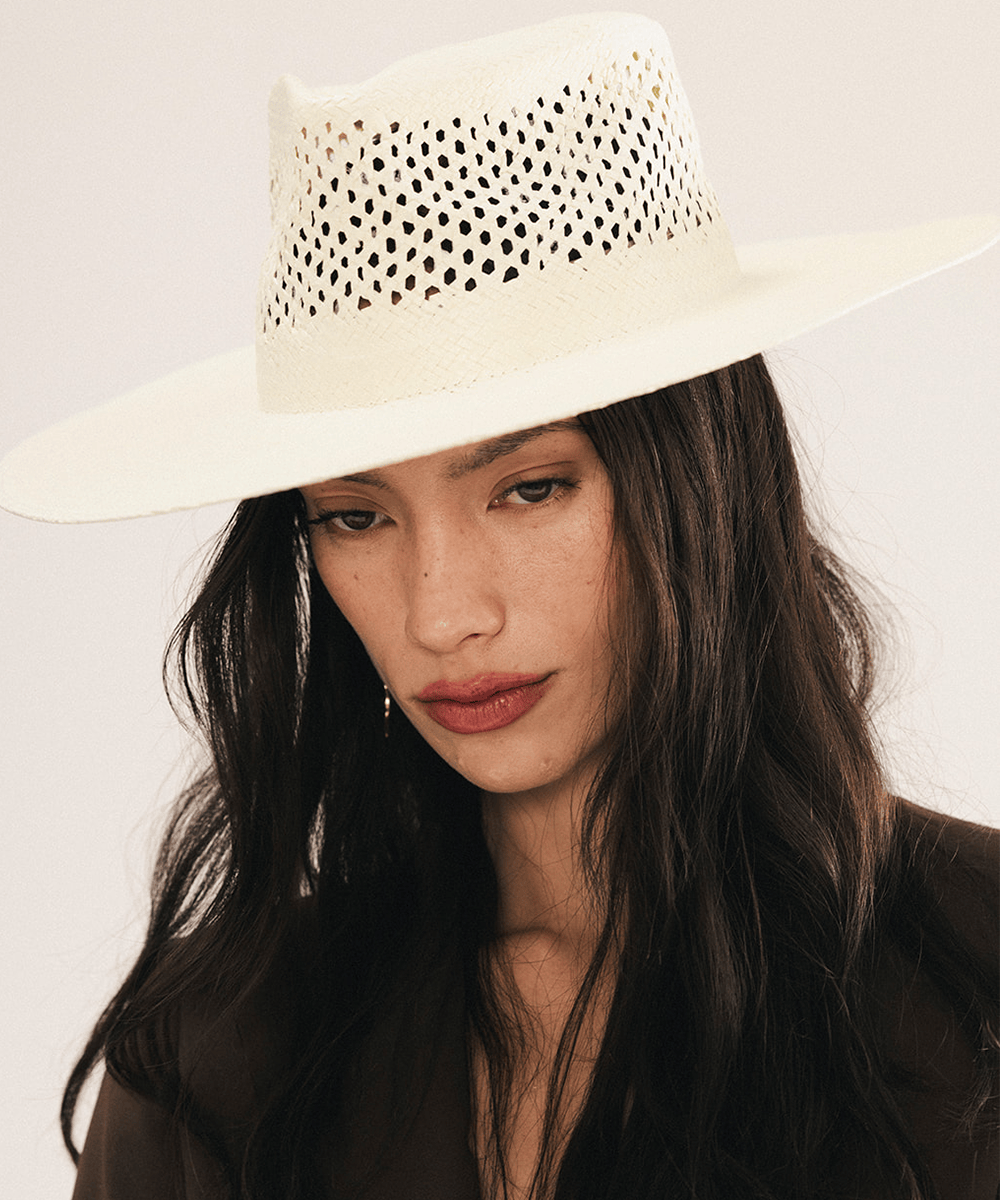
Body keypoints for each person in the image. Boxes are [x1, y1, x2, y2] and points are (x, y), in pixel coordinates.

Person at [1, 13, 996, 1200]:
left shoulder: (975, 982)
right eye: (354, 517)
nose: (440, 615)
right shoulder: (221, 1044)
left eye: (529, 489)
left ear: (703, 479)